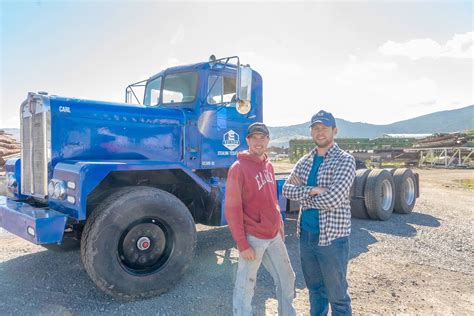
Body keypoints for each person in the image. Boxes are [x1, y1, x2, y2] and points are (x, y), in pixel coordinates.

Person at [283, 110, 355, 316]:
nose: (319, 132)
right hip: (306, 236)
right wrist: (314, 190)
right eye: (315, 128)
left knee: (337, 296)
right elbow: (287, 190)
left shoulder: (344, 160)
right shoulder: (305, 161)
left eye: (324, 128)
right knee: (315, 291)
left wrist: (303, 193)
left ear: (334, 131)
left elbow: (334, 199)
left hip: (332, 238)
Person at [225, 122, 296, 316]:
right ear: (247, 140)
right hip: (253, 238)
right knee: (246, 286)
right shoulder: (238, 168)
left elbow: (272, 197)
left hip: (273, 235)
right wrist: (242, 244)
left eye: (262, 138)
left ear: (268, 140)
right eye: (254, 138)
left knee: (287, 277)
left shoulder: (269, 165)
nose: (258, 142)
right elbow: (232, 209)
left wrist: (279, 221)